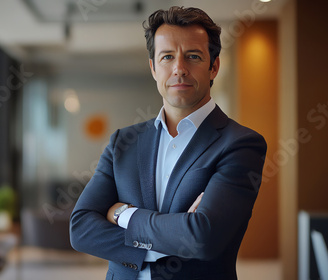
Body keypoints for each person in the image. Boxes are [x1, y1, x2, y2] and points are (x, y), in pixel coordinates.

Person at [70, 6, 267, 280]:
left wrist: (123, 214)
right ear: (153, 67)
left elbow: (202, 238)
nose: (179, 69)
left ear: (214, 66)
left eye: (193, 56)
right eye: (167, 57)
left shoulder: (241, 145)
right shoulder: (123, 142)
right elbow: (81, 229)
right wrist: (173, 235)